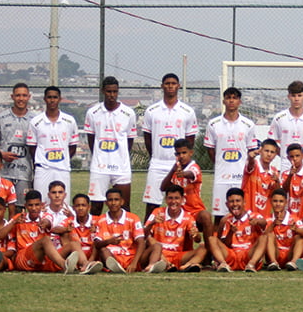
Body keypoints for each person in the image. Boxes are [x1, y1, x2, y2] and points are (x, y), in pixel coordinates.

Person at [142, 72, 199, 217]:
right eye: (167, 84)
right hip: (157, 163)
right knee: (152, 203)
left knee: (180, 203)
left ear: (178, 86)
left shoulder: (187, 111)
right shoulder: (152, 110)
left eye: (173, 83)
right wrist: (154, 155)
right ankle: (148, 236)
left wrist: (183, 162)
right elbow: (147, 137)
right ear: (162, 86)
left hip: (178, 166)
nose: (170, 86)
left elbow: (190, 139)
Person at [0, 189, 81, 274]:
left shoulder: (46, 216)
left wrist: (45, 223)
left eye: (37, 205)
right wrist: (14, 223)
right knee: (45, 240)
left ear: (42, 205)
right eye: (30, 205)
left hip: (43, 258)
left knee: (74, 244)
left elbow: (48, 221)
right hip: (24, 258)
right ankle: (64, 265)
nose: (34, 208)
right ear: (26, 206)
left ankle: (85, 265)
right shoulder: (19, 218)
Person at [204, 86, 257, 225]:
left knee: (242, 214)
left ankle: (242, 243)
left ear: (240, 101)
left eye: (234, 98)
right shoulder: (213, 124)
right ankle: (217, 244)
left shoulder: (248, 124)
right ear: (223, 101)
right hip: (222, 176)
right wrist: (220, 164)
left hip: (241, 177)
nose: (231, 101)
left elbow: (251, 151)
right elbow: (210, 149)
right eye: (228, 98)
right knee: (219, 215)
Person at [85, 76, 138, 215]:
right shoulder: (93, 112)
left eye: (115, 92)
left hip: (121, 167)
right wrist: (99, 155)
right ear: (103, 91)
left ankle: (126, 236)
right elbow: (91, 139)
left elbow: (129, 141)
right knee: (96, 207)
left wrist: (120, 156)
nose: (112, 95)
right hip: (99, 167)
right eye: (109, 92)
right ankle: (94, 236)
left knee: (124, 206)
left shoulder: (128, 113)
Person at [27, 86, 79, 196]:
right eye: (49, 97)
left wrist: (61, 158)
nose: (52, 100)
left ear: (60, 99)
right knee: (41, 203)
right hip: (43, 169)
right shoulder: (36, 122)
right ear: (45, 99)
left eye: (55, 97)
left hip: (62, 169)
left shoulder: (69, 121)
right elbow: (32, 148)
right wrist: (43, 161)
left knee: (62, 203)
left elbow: (72, 147)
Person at [143, 184, 207, 272]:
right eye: (170, 198)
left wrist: (196, 235)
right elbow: (144, 235)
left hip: (178, 255)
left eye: (176, 198)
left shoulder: (188, 217)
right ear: (166, 199)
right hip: (159, 253)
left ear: (182, 200)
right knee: (150, 240)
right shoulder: (157, 212)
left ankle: (187, 266)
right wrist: (151, 223)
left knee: (204, 246)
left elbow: (197, 240)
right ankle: (166, 263)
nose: (173, 201)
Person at [0, 83, 34, 210]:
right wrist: (1, 155)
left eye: (24, 95)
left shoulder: (35, 119)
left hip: (25, 173)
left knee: (20, 209)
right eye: (18, 95)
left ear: (29, 97)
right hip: (4, 172)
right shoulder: (1, 118)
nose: (21, 98)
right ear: (12, 97)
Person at [160, 137, 213, 237]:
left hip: (194, 210)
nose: (181, 156)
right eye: (178, 154)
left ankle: (209, 248)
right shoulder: (176, 170)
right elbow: (163, 187)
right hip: (178, 210)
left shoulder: (194, 167)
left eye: (184, 153)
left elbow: (192, 174)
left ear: (191, 153)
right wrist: (173, 170)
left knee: (206, 216)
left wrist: (183, 173)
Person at [209, 187, 267, 272]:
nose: (235, 204)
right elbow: (226, 244)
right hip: (232, 255)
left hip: (248, 254)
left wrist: (257, 222)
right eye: (231, 202)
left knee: (264, 237)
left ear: (244, 202)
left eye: (238, 201)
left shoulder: (253, 216)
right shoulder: (227, 220)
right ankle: (223, 264)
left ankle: (251, 264)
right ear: (227, 204)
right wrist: (231, 233)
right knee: (212, 239)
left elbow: (264, 223)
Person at [268, 80, 303, 163]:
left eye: (299, 95)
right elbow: (271, 142)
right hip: (286, 165)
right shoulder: (279, 118)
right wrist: (285, 156)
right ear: (289, 97)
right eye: (293, 96)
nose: (296, 99)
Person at [93, 186, 146, 273]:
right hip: (112, 257)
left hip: (131, 256)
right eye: (110, 200)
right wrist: (109, 241)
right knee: (103, 250)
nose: (113, 203)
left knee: (157, 246)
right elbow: (97, 244)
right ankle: (115, 267)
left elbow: (141, 241)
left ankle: (151, 266)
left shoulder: (133, 218)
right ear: (106, 202)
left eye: (116, 200)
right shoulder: (101, 220)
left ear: (122, 202)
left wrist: (134, 263)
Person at [263, 188, 303, 270]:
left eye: (281, 201)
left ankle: (294, 262)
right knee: (269, 234)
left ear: (286, 203)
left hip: (289, 254)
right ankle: (273, 262)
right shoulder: (267, 219)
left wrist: (296, 229)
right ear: (270, 202)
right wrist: (273, 224)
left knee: (300, 236)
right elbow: (262, 238)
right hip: (275, 253)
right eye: (275, 201)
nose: (278, 204)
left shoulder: (293, 218)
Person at [65, 193, 104, 275]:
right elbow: (55, 229)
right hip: (75, 253)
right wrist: (65, 229)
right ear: (73, 208)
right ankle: (87, 265)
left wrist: (97, 231)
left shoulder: (98, 220)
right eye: (77, 206)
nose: (80, 208)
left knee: (98, 239)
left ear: (89, 207)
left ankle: (88, 263)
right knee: (68, 239)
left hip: (92, 253)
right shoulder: (68, 221)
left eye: (83, 205)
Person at [242, 138, 282, 216]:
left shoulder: (274, 172)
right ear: (260, 151)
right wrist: (250, 158)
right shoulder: (255, 165)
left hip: (264, 216)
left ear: (275, 155)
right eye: (266, 151)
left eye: (272, 152)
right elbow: (250, 164)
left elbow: (277, 195)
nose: (269, 154)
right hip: (247, 214)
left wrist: (277, 181)